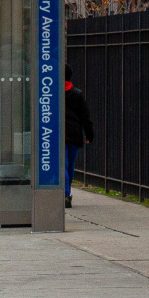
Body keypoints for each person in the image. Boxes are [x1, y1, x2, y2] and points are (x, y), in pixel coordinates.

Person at [63, 64, 94, 209]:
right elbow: (85, 116)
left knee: (62, 165)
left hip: (59, 135)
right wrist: (89, 133)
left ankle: (65, 194)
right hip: (75, 134)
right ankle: (67, 193)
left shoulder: (52, 92)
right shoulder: (77, 94)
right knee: (70, 165)